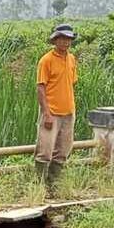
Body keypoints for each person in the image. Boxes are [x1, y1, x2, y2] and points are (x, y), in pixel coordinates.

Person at [35, 23, 79, 196]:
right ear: (55, 40)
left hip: (68, 111)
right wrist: (46, 113)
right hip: (51, 111)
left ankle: (54, 187)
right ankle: (39, 187)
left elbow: (72, 83)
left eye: (68, 39)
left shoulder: (71, 59)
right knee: (45, 150)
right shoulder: (46, 60)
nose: (66, 42)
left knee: (63, 150)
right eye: (62, 39)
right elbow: (40, 87)